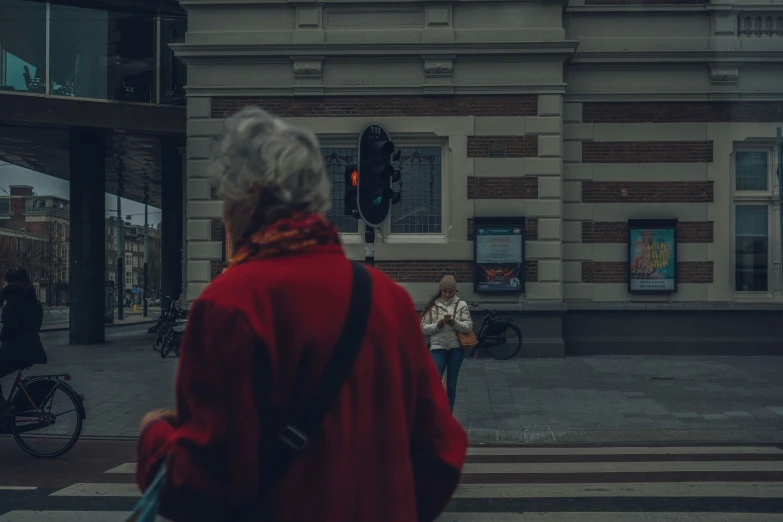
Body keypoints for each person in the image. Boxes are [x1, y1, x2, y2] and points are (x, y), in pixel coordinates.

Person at [136, 107, 468, 522]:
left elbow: (203, 486)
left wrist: (154, 437)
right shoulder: (389, 300)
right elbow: (441, 453)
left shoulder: (230, 306)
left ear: (246, 198)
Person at [420, 275, 473, 412]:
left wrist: (454, 323)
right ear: (440, 291)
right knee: (434, 383)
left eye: (451, 292)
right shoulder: (433, 307)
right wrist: (438, 325)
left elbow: (468, 327)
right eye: (445, 292)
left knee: (451, 384)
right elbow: (423, 328)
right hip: (438, 348)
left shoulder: (461, 305)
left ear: (454, 292)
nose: (447, 295)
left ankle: (448, 415)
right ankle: (435, 413)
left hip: (456, 349)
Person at [0, 267, 47, 414]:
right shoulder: (32, 298)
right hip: (32, 348)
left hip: (17, 348)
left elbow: (10, 327)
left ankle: (3, 408)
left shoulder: (12, 299)